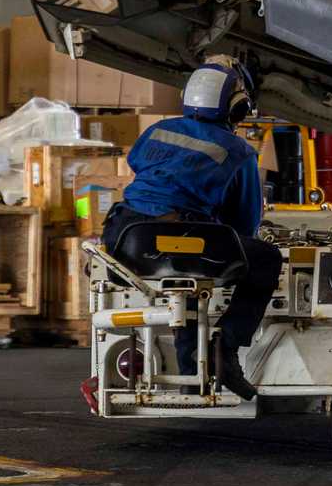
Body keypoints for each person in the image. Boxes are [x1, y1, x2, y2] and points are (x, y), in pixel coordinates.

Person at [99, 57, 280, 401]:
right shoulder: (238, 151)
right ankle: (226, 349)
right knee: (264, 259)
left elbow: (137, 164)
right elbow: (245, 222)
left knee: (187, 285)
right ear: (237, 108)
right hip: (183, 239)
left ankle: (188, 378)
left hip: (126, 237)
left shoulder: (157, 130)